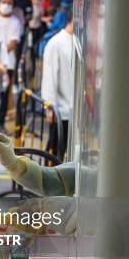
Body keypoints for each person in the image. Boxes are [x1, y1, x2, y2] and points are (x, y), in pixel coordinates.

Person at [41, 12, 73, 160]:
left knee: (64, 150)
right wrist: (50, 106)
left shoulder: (80, 42)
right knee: (55, 149)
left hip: (74, 109)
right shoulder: (56, 43)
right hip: (60, 109)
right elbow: (49, 77)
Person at [0, 0, 22, 129]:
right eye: (3, 2)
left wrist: (0, 55)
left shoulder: (15, 21)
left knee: (4, 93)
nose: (6, 5)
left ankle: (0, 122)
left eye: (9, 3)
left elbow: (13, 42)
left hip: (7, 63)